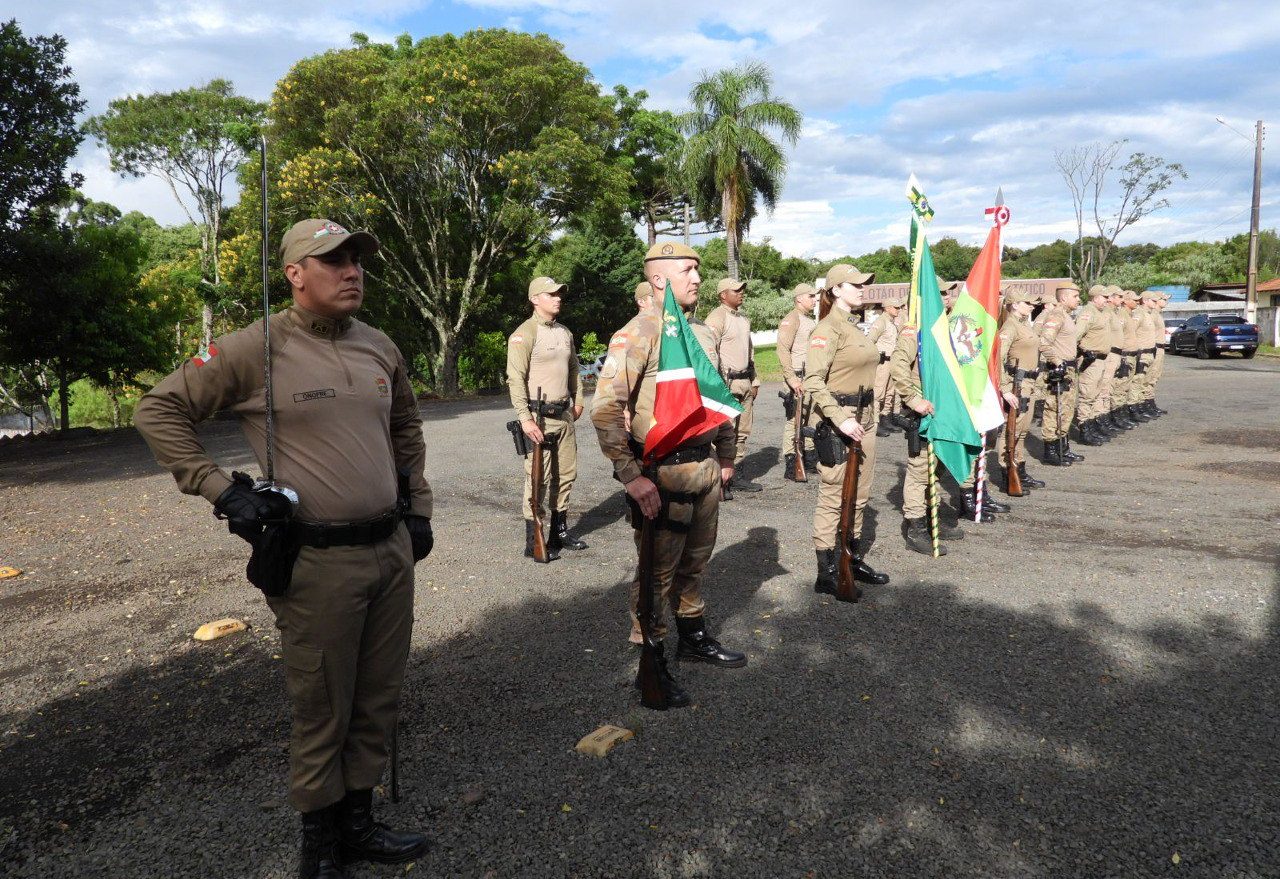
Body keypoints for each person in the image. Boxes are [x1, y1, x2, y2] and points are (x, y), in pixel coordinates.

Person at [134, 219, 433, 879]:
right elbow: (159, 409)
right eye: (333, 260)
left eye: (356, 259)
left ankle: (357, 823)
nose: (351, 270)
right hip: (317, 561)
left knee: (377, 695)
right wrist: (222, 491)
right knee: (323, 703)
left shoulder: (379, 346)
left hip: (389, 549)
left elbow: (406, 428)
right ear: (296, 273)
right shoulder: (255, 348)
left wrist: (419, 511)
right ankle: (320, 847)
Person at [591, 242, 746, 708]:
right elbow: (605, 408)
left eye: (698, 268)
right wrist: (631, 476)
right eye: (687, 270)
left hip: (703, 469)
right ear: (659, 279)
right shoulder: (637, 333)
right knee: (656, 575)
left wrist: (724, 455)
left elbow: (712, 402)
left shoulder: (696, 333)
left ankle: (693, 639)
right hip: (661, 476)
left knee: (695, 565)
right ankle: (651, 663)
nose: (697, 277)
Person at [804, 263, 890, 597]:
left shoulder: (854, 326)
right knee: (833, 495)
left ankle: (849, 558)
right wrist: (839, 418)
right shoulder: (826, 329)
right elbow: (813, 379)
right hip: (838, 423)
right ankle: (827, 570)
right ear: (836, 289)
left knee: (860, 493)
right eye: (855, 285)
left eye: (863, 284)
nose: (862, 289)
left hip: (864, 418)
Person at [507, 276, 588, 559]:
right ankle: (534, 540)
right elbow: (514, 379)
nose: (558, 298)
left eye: (559, 294)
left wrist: (578, 401)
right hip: (538, 418)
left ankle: (559, 532)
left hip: (564, 414)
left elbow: (575, 369)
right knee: (537, 479)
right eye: (551, 294)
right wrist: (525, 419)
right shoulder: (524, 333)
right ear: (535, 299)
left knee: (565, 475)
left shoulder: (564, 332)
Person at [889, 279, 967, 553]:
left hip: (946, 413)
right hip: (924, 413)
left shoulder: (944, 327)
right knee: (920, 470)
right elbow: (897, 366)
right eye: (942, 292)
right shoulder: (914, 330)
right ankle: (916, 527)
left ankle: (933, 518)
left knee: (938, 468)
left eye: (948, 292)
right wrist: (912, 399)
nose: (947, 296)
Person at [706, 278, 761, 494]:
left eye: (742, 290)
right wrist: (716, 387)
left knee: (742, 432)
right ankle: (717, 479)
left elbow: (750, 352)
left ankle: (733, 476)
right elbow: (709, 352)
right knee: (724, 433)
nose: (741, 293)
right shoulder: (716, 318)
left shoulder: (743, 320)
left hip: (745, 381)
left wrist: (754, 380)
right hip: (726, 384)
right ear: (722, 295)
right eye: (736, 290)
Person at [997, 289, 1045, 492]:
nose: (1032, 306)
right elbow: (998, 358)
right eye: (1027, 303)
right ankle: (1007, 470)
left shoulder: (1024, 325)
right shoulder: (1010, 327)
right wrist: (1004, 388)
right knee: (1012, 430)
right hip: (1017, 384)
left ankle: (1020, 468)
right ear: (1015, 304)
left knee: (1022, 431)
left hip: (1029, 383)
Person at [1038, 283, 1085, 466]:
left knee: (1066, 410)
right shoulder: (1056, 316)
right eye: (1075, 296)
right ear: (1064, 297)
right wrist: (1057, 362)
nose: (1078, 299)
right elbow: (1044, 343)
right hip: (1059, 370)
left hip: (1070, 370)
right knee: (1054, 410)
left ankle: (1062, 447)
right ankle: (1051, 451)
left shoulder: (1066, 316)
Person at [777, 282, 818, 478]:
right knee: (794, 421)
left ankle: (809, 460)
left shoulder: (808, 320)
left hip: (809, 377)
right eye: (810, 296)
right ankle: (791, 464)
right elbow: (782, 350)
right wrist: (791, 379)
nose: (814, 299)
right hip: (797, 378)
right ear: (799, 298)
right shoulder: (791, 319)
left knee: (809, 418)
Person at [1073, 284, 1114, 445]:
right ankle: (1084, 430)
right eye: (1104, 297)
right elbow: (1076, 335)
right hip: (1091, 359)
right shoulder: (1088, 313)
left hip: (1100, 359)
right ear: (1096, 297)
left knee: (1095, 394)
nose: (1107, 300)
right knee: (1087, 395)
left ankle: (1091, 427)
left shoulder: (1099, 313)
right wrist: (1083, 350)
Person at [867, 294, 906, 437]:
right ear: (888, 308)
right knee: (878, 393)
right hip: (882, 362)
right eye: (896, 308)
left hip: (892, 361)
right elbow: (870, 340)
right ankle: (875, 422)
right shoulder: (880, 322)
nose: (899, 310)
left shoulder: (892, 322)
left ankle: (885, 418)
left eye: (900, 307)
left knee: (890, 392)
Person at [1144, 291, 1170, 416]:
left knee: (1155, 377)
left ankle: (1149, 402)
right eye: (1164, 299)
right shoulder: (1152, 315)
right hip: (1155, 348)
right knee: (1150, 376)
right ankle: (1146, 404)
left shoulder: (1157, 314)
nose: (1166, 301)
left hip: (1160, 348)